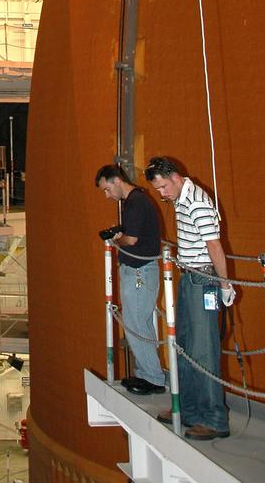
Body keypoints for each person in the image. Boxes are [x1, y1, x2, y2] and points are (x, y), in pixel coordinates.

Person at [144, 156, 235, 441]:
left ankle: (215, 419)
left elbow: (214, 246)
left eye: (162, 187)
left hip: (203, 281)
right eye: (157, 189)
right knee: (183, 345)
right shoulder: (181, 198)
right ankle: (189, 408)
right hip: (188, 278)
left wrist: (225, 284)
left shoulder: (197, 203)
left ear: (175, 177)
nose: (161, 194)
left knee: (204, 351)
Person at [95, 164, 166, 395]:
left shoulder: (135, 202)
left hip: (139, 271)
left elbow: (132, 240)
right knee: (141, 323)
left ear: (116, 180)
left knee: (135, 323)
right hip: (142, 270)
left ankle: (153, 377)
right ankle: (150, 374)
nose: (107, 195)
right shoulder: (137, 200)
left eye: (106, 189)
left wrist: (117, 239)